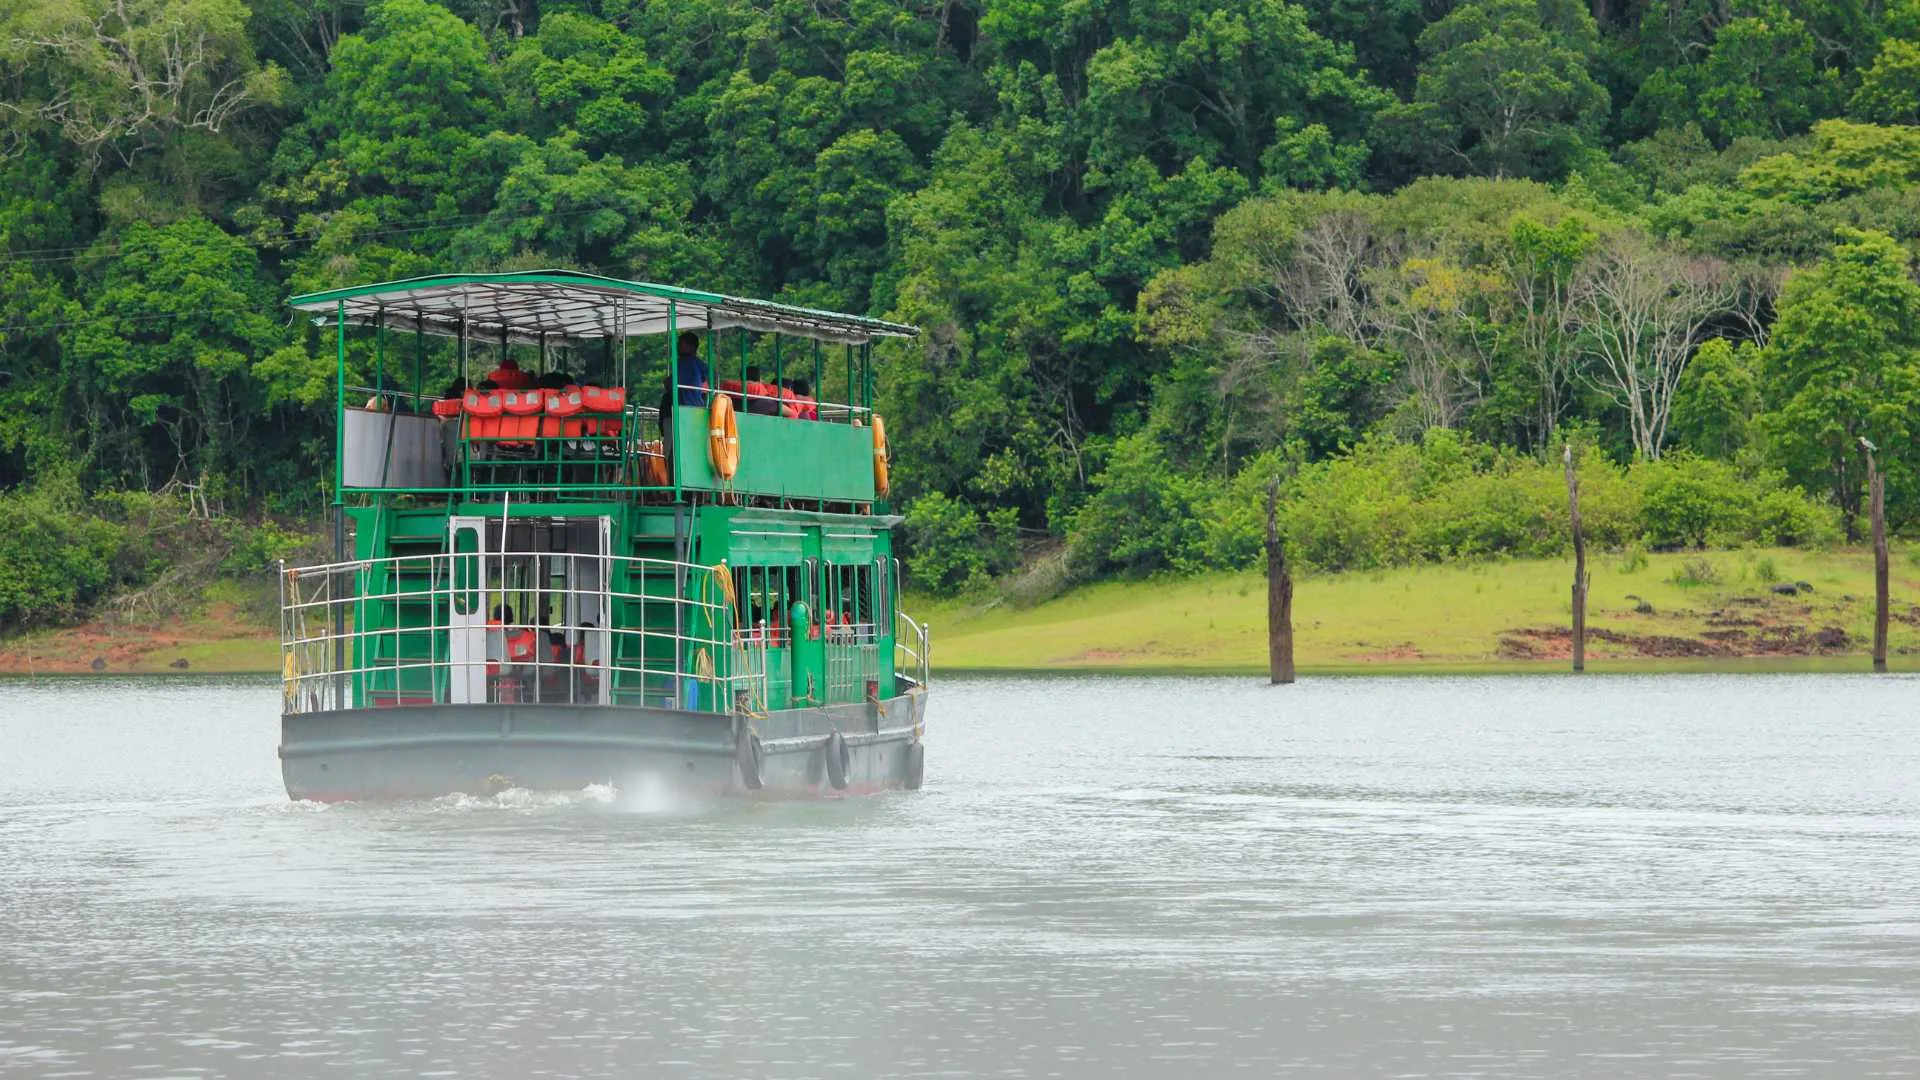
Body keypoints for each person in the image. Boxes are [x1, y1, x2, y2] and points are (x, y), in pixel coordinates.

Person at [674, 331, 709, 406]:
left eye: (681, 344)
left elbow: (672, 382)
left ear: (691, 347)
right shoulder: (699, 363)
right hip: (699, 404)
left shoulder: (685, 361)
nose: (677, 346)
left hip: (686, 404)